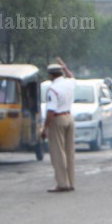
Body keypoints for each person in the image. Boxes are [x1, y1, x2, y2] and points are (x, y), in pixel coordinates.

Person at [42, 61, 76, 192]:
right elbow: (72, 76)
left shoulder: (53, 89)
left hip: (58, 119)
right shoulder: (69, 83)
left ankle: (62, 183)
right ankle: (71, 182)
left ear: (51, 75)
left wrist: (45, 128)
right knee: (69, 151)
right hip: (69, 117)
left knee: (58, 153)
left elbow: (51, 111)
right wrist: (65, 66)